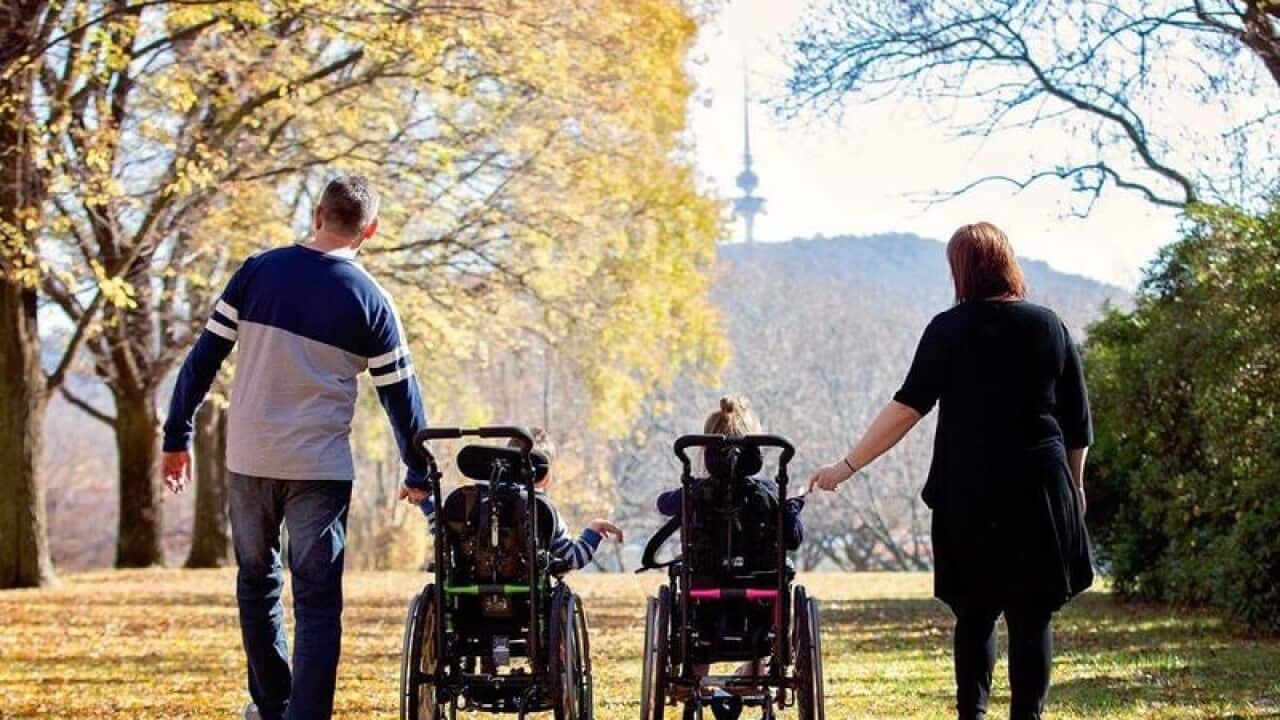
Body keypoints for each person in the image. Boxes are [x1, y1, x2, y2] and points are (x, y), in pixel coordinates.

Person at [161, 176, 432, 720]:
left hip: (250, 459)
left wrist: (177, 435)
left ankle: (272, 705)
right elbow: (401, 396)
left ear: (317, 215)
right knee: (316, 601)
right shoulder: (372, 301)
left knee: (256, 582)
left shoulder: (259, 271)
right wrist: (418, 469)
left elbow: (203, 358)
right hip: (319, 469)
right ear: (371, 230)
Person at [807, 222, 1093, 720]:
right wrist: (1077, 486)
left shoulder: (948, 329)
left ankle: (971, 714)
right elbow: (1077, 421)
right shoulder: (1049, 325)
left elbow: (906, 409)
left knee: (975, 613)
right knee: (1032, 616)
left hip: (968, 490)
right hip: (1041, 489)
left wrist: (847, 466)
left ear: (961, 270)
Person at [657, 395, 804, 720]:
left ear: (706, 449)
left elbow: (662, 504)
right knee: (770, 600)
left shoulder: (694, 493)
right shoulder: (769, 494)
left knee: (696, 613)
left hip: (704, 595)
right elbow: (793, 539)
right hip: (759, 602)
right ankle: (756, 669)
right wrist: (791, 509)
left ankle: (694, 674)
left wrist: (682, 493)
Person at [416, 428, 623, 568]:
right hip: (526, 604)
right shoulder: (541, 509)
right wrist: (594, 530)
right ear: (545, 475)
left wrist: (426, 502)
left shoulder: (468, 501)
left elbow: (443, 532)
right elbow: (574, 559)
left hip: (468, 600)